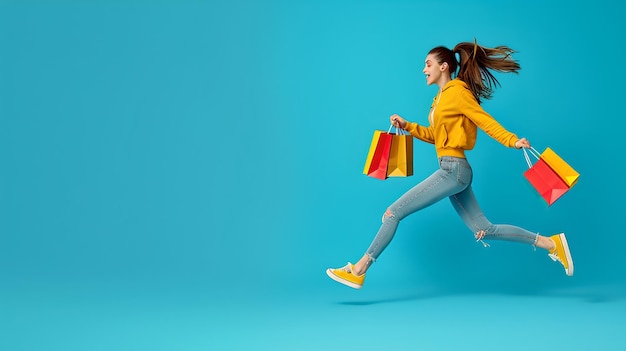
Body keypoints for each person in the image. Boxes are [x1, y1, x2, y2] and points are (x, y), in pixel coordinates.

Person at [326, 40, 574, 289]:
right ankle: (552, 244)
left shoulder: (458, 92)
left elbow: (484, 120)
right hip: (454, 170)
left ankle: (359, 269)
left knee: (393, 212)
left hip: (453, 170)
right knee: (484, 229)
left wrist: (512, 141)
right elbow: (436, 136)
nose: (424, 69)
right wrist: (408, 126)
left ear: (444, 66)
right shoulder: (440, 98)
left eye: (428, 64)